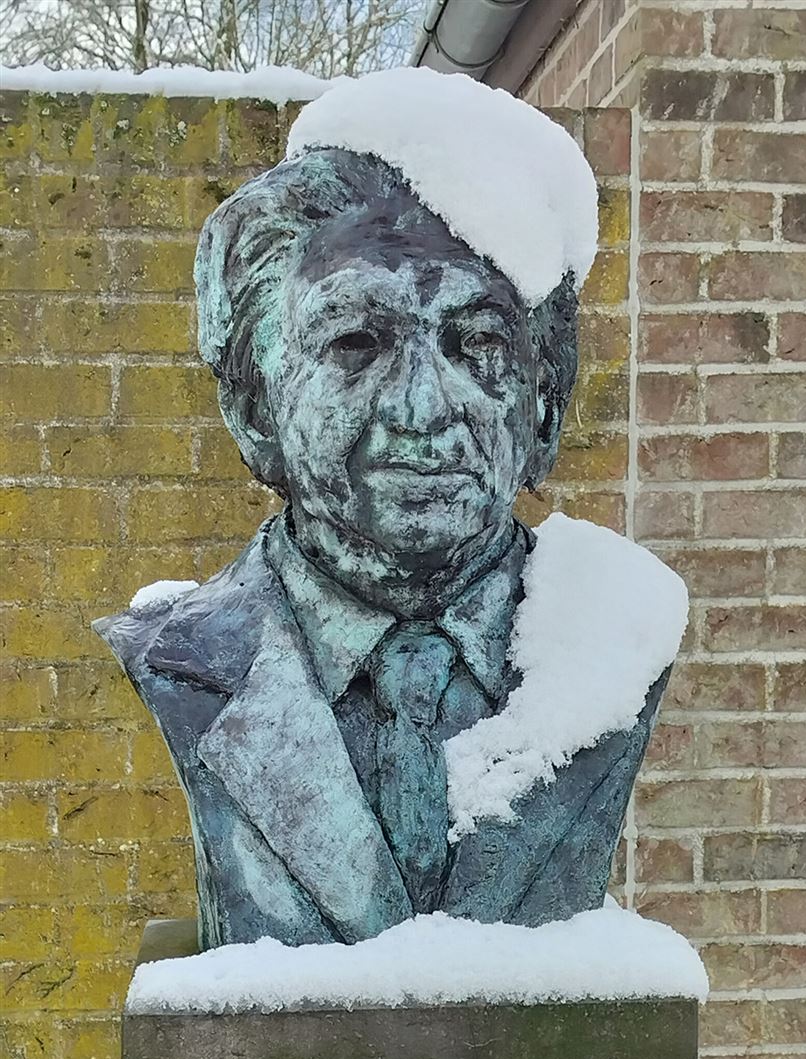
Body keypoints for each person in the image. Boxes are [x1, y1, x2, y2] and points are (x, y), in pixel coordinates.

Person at [95, 70, 686, 950]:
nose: (422, 409)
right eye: (356, 342)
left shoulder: (620, 642)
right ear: (255, 408)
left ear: (545, 405)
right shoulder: (186, 661)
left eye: (477, 343)